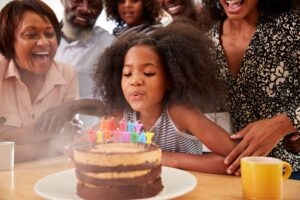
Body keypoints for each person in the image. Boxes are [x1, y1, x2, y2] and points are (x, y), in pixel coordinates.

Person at [37, 21, 237, 174]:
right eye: (127, 74)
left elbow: (235, 158)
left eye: (148, 73)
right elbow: (76, 149)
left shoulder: (180, 113)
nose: (135, 81)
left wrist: (162, 158)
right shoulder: (121, 117)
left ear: (170, 79)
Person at [208, 0, 300, 179]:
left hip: (292, 170)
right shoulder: (205, 42)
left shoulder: (292, 28)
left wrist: (284, 124)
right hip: (233, 173)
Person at [0, 0, 79, 162]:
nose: (44, 42)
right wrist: (43, 140)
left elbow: (67, 139)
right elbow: (58, 144)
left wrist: (8, 140)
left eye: (50, 34)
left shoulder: (67, 74)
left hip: (46, 175)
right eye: (31, 35)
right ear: (9, 42)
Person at [55, 0, 115, 129]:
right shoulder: (42, 40)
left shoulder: (110, 45)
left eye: (94, 4)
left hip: (89, 139)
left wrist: (77, 106)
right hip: (41, 139)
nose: (85, 9)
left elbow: (119, 104)